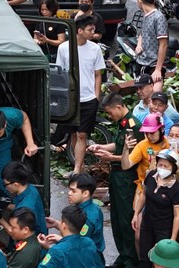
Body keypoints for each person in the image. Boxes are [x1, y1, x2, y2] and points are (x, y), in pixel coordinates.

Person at [89, 93, 141, 268]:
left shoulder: (134, 126)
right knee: (117, 219)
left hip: (127, 178)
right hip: (116, 176)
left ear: (118, 107)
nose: (110, 116)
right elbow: (119, 146)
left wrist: (111, 158)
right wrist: (102, 147)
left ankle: (132, 264)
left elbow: (134, 156)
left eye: (110, 113)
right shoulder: (122, 124)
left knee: (127, 220)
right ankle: (123, 256)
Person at [128, 149, 179, 268]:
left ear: (173, 168)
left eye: (166, 165)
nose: (162, 168)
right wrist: (136, 214)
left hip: (164, 226)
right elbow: (144, 195)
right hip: (147, 222)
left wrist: (172, 238)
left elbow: (178, 215)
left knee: (162, 259)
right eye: (160, 164)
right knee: (145, 255)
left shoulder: (176, 188)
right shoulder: (151, 176)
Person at [56, 16, 105, 176]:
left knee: (82, 134)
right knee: (73, 133)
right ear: (79, 30)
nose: (93, 32)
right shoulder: (64, 48)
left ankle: (77, 169)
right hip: (71, 99)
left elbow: (98, 74)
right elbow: (60, 73)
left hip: (88, 98)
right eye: (90, 29)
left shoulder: (95, 49)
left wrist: (96, 97)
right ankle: (79, 165)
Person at [120, 113, 169, 195]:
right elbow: (125, 166)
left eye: (152, 133)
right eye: (146, 133)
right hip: (145, 187)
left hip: (165, 186)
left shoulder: (169, 144)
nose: (149, 136)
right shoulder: (142, 145)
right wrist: (125, 149)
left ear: (162, 130)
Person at [2, 160, 47, 236]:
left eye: (5, 184)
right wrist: (4, 206)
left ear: (16, 184)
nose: (5, 187)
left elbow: (14, 233)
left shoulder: (24, 211)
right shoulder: (32, 189)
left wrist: (0, 219)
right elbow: (18, 206)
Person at [135, 0, 169, 89]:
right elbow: (142, 33)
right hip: (142, 62)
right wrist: (139, 44)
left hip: (153, 66)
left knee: (154, 96)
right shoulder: (145, 16)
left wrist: (158, 70)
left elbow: (163, 45)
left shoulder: (159, 17)